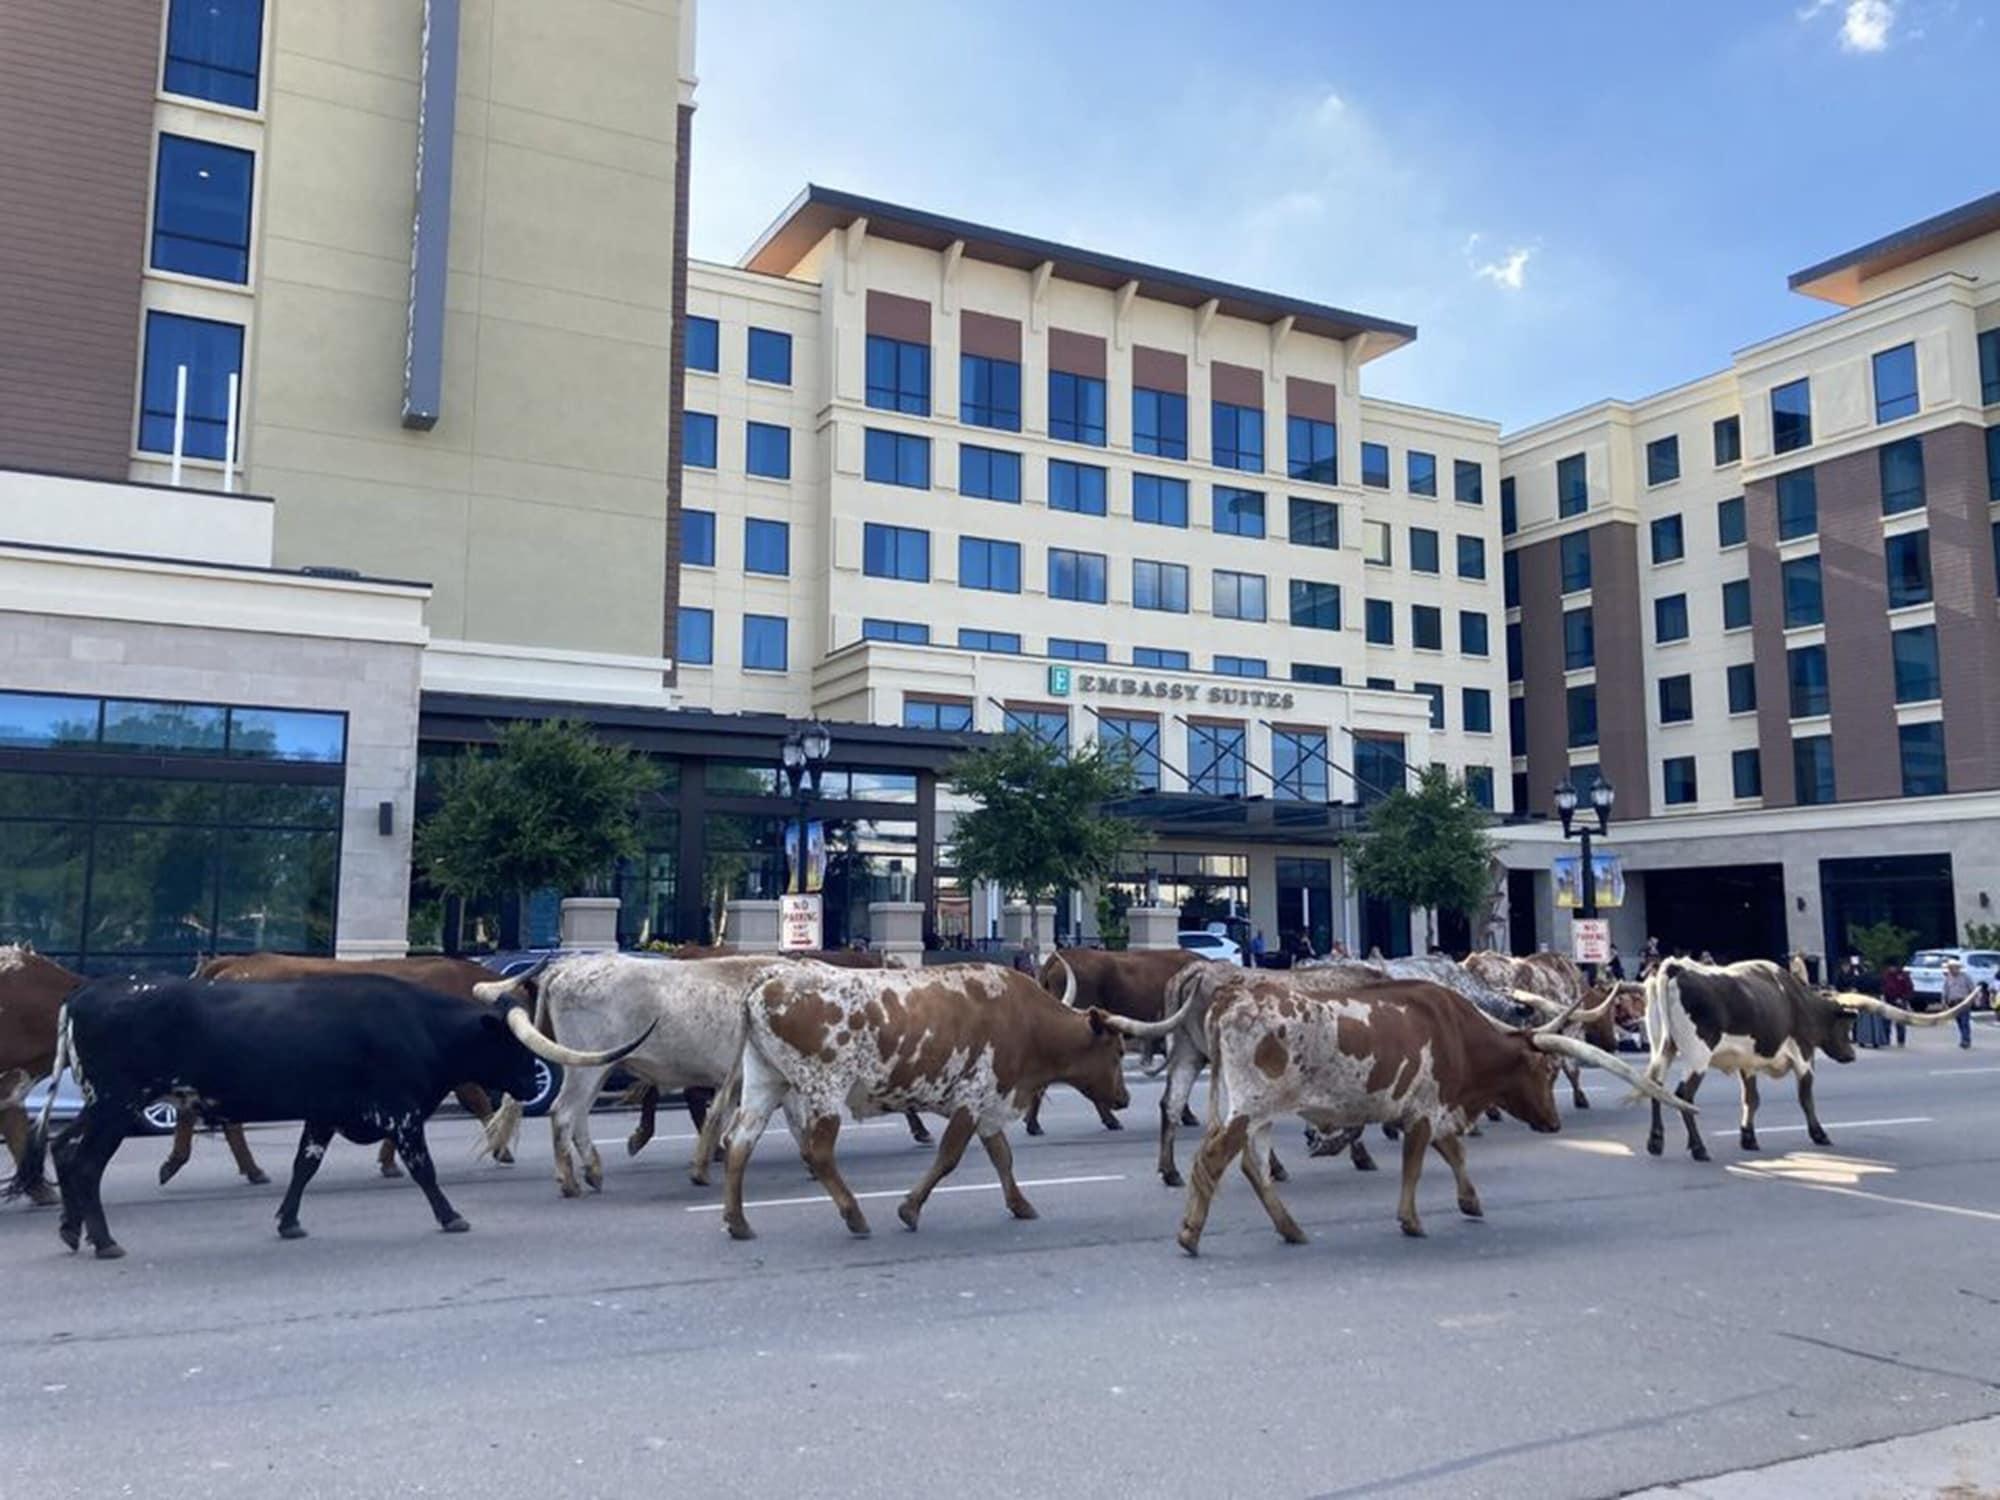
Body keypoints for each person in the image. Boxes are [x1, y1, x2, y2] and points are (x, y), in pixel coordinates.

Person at [1842, 954, 1884, 1047]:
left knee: (1863, 1021)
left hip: (1864, 999)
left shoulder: (1861, 977)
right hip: (1875, 998)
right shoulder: (1878, 976)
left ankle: (1863, 1039)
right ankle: (1876, 1040)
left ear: (1864, 968)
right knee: (1875, 1021)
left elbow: (1855, 987)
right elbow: (1882, 988)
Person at [1941, 958, 1976, 1049]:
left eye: (1953, 968)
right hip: (1953, 1003)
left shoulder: (1965, 977)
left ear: (1958, 968)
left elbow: (1973, 989)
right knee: (1959, 1022)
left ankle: (1966, 1040)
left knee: (1965, 1022)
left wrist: (1972, 1000)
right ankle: (1964, 1038)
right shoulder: (1948, 978)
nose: (1952, 970)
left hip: (1963, 1003)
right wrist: (1944, 1002)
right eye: (1950, 968)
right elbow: (1945, 991)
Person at [1880, 959, 1915, 1048]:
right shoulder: (1886, 975)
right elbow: (1883, 987)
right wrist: (1883, 996)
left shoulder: (1903, 976)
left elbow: (1909, 989)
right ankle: (1886, 1039)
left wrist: (1903, 999)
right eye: (1889, 967)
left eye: (1892, 967)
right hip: (1888, 1001)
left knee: (1900, 1023)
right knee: (1886, 1022)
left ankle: (1901, 1041)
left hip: (1900, 1001)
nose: (1891, 969)